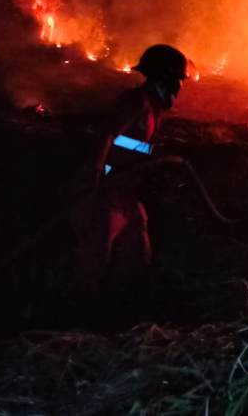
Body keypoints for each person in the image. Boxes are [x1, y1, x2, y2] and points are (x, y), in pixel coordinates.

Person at [72, 44, 196, 295]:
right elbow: (106, 136)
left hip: (127, 192)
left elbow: (134, 147)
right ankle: (79, 312)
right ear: (166, 79)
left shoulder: (152, 109)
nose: (180, 88)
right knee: (96, 253)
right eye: (178, 80)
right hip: (107, 192)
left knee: (137, 251)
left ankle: (124, 307)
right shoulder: (136, 102)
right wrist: (95, 176)